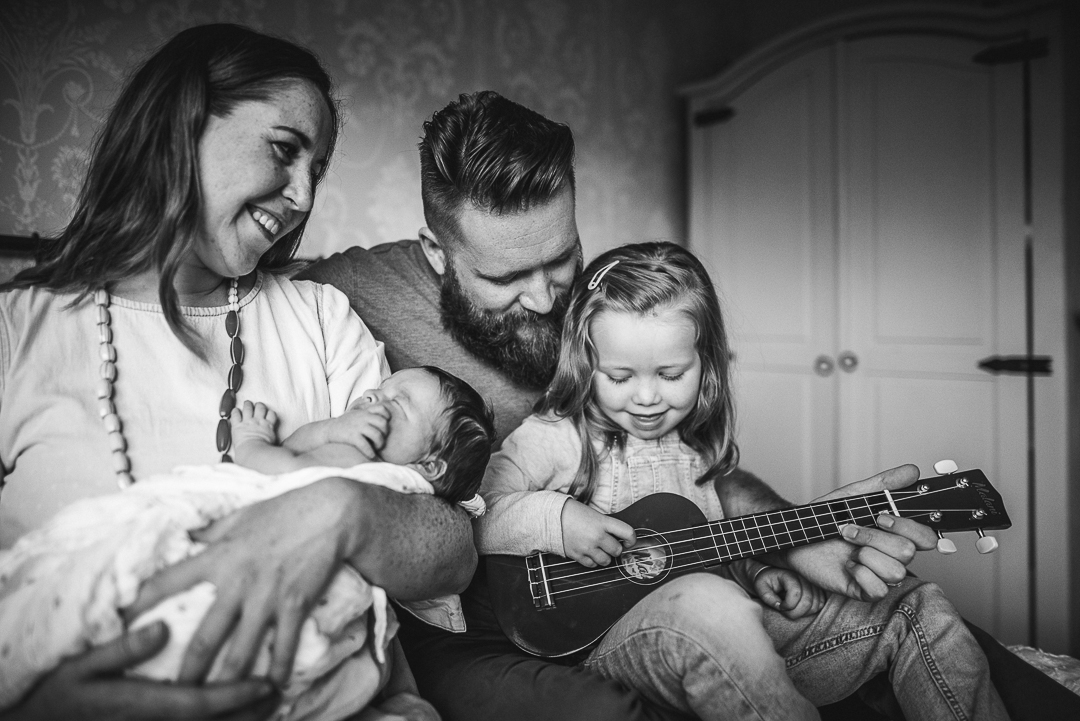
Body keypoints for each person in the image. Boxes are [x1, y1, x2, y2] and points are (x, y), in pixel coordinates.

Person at [298, 91, 944, 721]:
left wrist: (794, 537)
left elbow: (688, 465)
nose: (548, 300)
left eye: (559, 260)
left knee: (911, 606)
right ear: (438, 253)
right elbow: (228, 279)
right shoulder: (348, 293)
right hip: (524, 618)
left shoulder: (602, 306)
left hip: (659, 580)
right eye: (505, 278)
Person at [0, 24, 474, 721]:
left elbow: (452, 548)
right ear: (181, 122)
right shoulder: (19, 331)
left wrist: (341, 511)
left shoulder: (321, 318)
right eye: (284, 150)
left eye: (318, 169)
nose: (304, 197)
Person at [476, 241, 1007, 721]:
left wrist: (753, 570)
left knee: (919, 607)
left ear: (706, 366)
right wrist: (559, 518)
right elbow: (479, 511)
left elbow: (695, 548)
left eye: (670, 374)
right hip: (595, 637)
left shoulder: (691, 451)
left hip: (719, 623)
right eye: (618, 377)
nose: (645, 397)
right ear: (583, 361)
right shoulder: (554, 437)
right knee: (716, 607)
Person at [0, 366, 494, 720]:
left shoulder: (378, 473)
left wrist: (255, 443)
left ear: (429, 467)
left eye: (396, 403)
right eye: (377, 390)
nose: (370, 398)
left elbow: (290, 468)